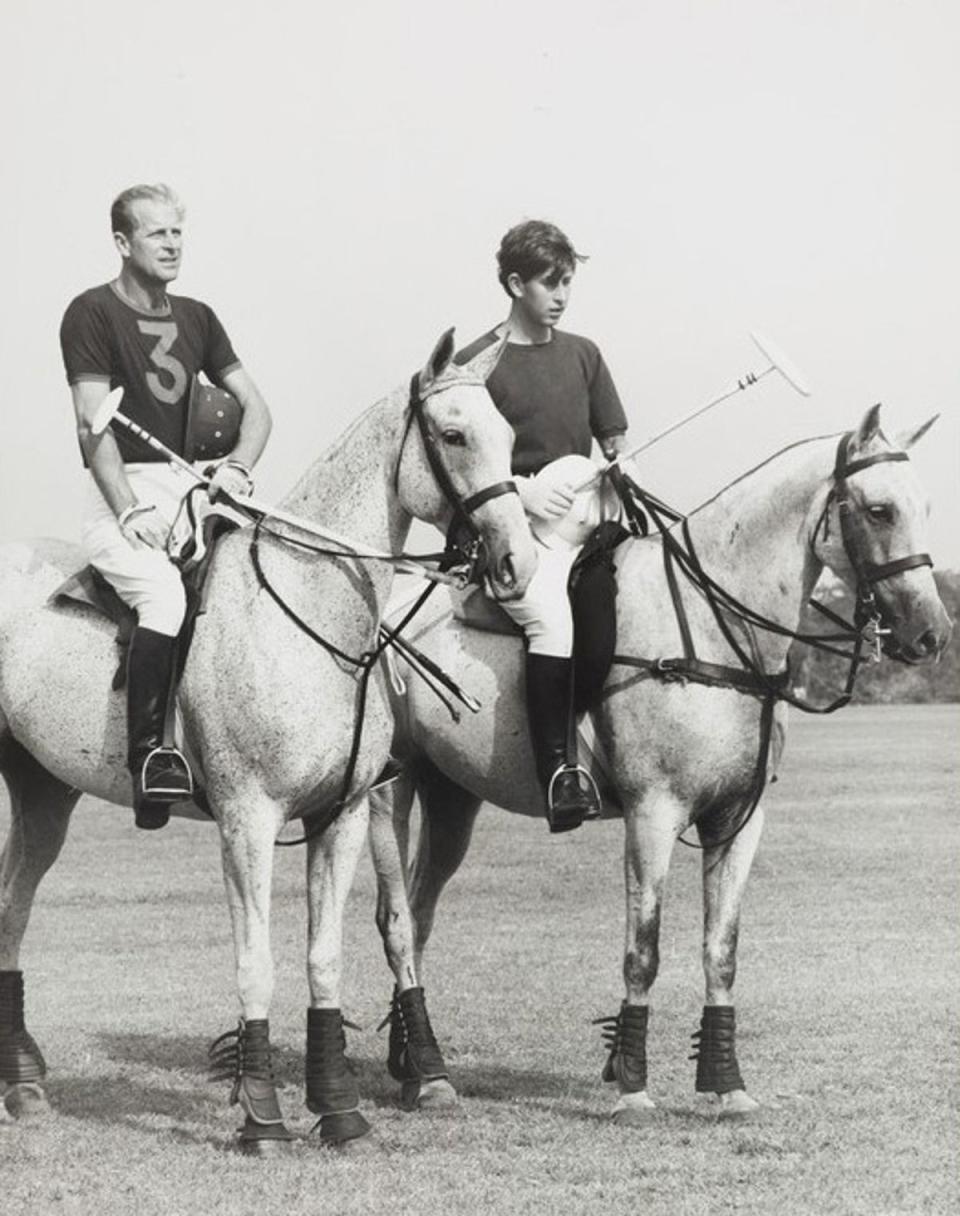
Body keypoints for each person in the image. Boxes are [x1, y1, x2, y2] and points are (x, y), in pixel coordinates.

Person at [59, 183, 272, 831]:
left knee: (261, 582)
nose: (173, 244)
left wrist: (235, 468)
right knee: (164, 597)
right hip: (122, 494)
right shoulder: (90, 313)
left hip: (196, 489)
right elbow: (92, 428)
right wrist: (128, 510)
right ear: (123, 243)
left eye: (178, 231)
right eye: (157, 233)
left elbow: (258, 413)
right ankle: (152, 757)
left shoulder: (200, 317)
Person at [457, 220, 630, 833]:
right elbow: (460, 460)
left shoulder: (584, 353)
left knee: (618, 617)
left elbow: (612, 439)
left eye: (567, 283)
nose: (562, 295)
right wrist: (522, 493)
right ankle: (557, 771)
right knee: (551, 619)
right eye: (549, 283)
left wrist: (615, 467)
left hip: (585, 526)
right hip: (514, 534)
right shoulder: (476, 363)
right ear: (513, 283)